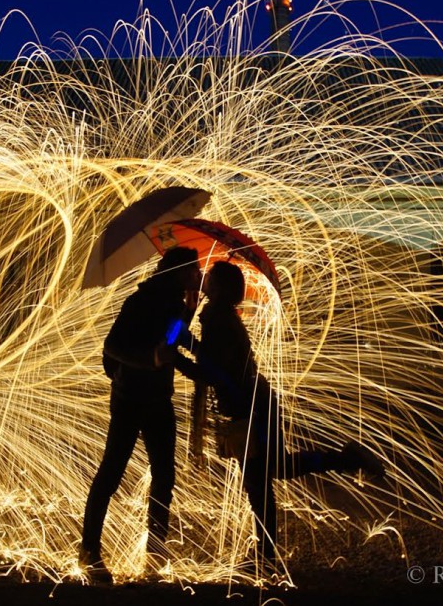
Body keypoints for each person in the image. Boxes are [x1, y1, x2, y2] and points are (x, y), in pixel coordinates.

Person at [190, 261, 385, 572]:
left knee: (263, 479)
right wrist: (182, 339)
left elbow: (213, 370)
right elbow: (211, 358)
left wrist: (174, 356)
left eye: (209, 276)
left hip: (250, 408)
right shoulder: (217, 316)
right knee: (268, 474)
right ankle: (265, 555)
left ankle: (265, 557)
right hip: (252, 404)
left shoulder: (218, 319)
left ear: (220, 287)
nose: (203, 278)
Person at [79, 246, 201, 583]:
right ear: (178, 273)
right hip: (130, 398)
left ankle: (156, 555)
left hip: (159, 398)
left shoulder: (177, 303)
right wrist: (151, 359)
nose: (199, 277)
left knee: (164, 476)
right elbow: (112, 346)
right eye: (194, 271)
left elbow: (171, 340)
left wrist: (188, 314)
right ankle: (89, 551)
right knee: (112, 472)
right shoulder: (140, 302)